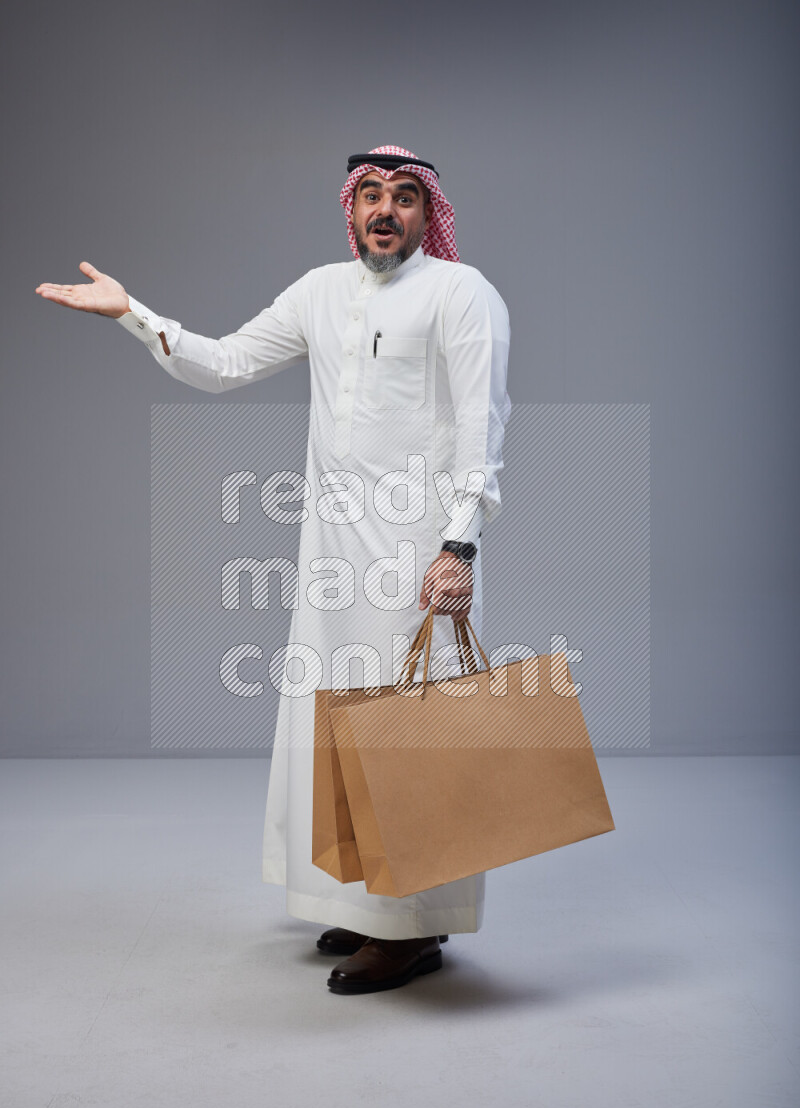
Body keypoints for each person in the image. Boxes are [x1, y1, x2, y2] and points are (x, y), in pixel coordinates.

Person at [36, 144, 512, 995]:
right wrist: (130, 314)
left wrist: (459, 544)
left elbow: (483, 427)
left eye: (406, 197)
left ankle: (409, 931)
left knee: (413, 740)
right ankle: (372, 908)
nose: (386, 210)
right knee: (334, 733)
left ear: (425, 211)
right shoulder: (321, 292)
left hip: (416, 558)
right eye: (371, 194)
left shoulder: (461, 294)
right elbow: (221, 363)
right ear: (350, 205)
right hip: (332, 558)